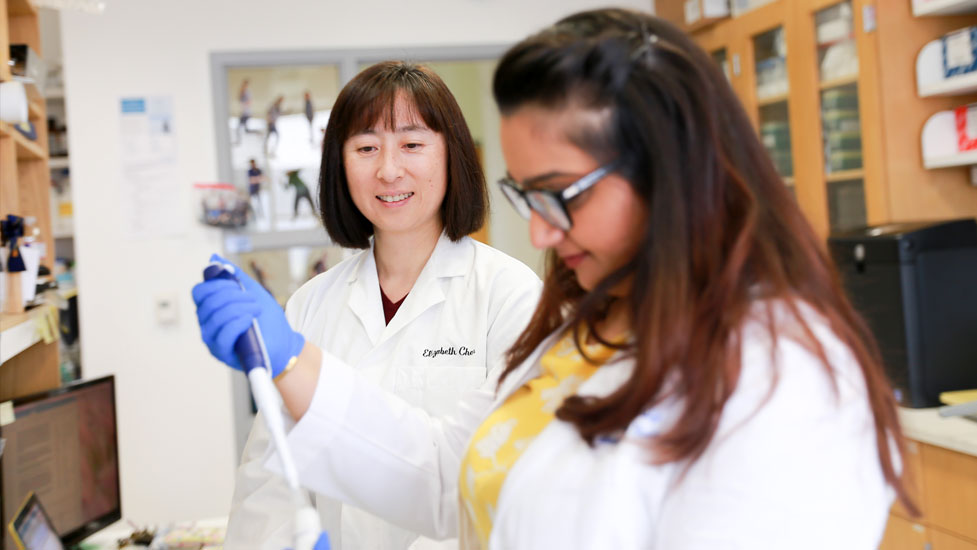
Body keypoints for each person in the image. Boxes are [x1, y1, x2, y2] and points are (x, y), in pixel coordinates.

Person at [197, 10, 916, 549]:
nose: (539, 233)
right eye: (527, 197)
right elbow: (447, 472)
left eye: (560, 194)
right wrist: (294, 362)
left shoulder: (779, 378)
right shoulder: (583, 330)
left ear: (667, 168)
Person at [192, 61, 541, 550]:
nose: (389, 169)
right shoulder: (310, 304)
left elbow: (499, 482)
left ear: (452, 156)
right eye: (366, 147)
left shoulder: (510, 296)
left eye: (412, 144)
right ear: (340, 164)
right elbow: (269, 479)